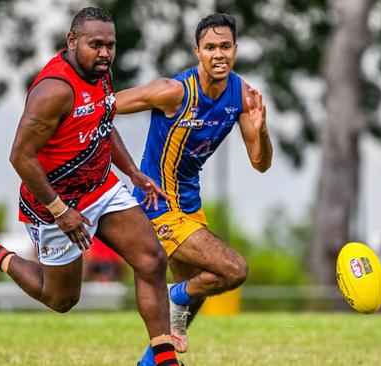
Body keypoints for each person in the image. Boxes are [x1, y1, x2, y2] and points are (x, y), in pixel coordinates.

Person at [0, 8, 180, 366]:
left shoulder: (100, 72)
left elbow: (103, 120)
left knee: (152, 259)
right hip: (54, 204)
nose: (105, 53)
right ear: (72, 42)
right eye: (95, 44)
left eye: (110, 45)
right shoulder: (54, 90)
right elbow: (20, 157)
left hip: (101, 187)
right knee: (60, 299)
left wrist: (132, 172)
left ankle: (164, 361)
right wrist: (61, 212)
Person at [114, 13, 272, 362]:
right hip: (156, 206)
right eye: (210, 47)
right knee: (233, 270)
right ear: (197, 51)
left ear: (236, 49)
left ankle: (149, 359)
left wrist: (261, 129)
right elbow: (105, 107)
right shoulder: (174, 91)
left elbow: (260, 163)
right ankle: (174, 297)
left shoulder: (242, 95)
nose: (219, 54)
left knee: (193, 293)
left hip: (190, 206)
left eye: (225, 46)